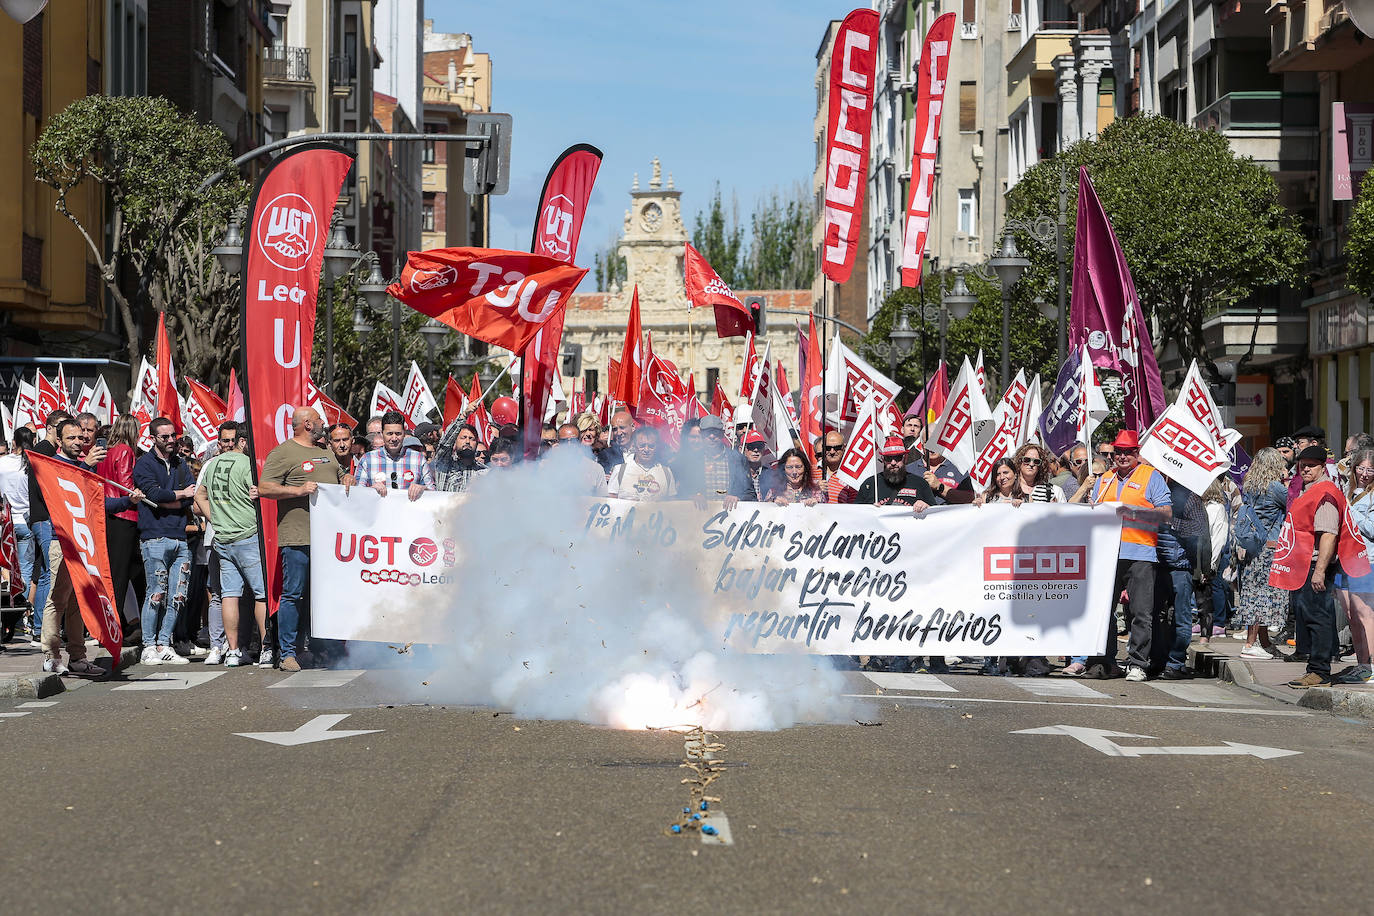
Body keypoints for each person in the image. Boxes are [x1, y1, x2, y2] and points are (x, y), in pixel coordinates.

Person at [41, 417, 143, 676]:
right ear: (59, 441)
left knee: (79, 601)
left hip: (83, 543)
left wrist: (127, 501)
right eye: (72, 438)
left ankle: (77, 657)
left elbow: (97, 503)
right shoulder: (56, 465)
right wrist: (85, 466)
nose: (79, 441)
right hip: (61, 542)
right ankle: (50, 655)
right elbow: (64, 497)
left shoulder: (85, 467)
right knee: (58, 600)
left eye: (82, 436)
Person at [258, 407, 350, 671]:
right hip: (298, 536)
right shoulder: (283, 452)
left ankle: (324, 650)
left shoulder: (325, 451)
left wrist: (348, 477)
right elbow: (265, 487)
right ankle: (287, 653)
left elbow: (340, 476)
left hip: (329, 540)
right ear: (308, 424)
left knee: (324, 595)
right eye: (320, 420)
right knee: (293, 594)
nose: (324, 424)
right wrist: (297, 490)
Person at [1269, 445, 1367, 689]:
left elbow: (1329, 535)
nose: (1305, 468)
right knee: (1311, 617)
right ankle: (1316, 667)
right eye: (1303, 464)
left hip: (1315, 566)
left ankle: (1319, 671)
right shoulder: (1311, 490)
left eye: (1311, 465)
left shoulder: (1324, 493)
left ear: (1323, 466)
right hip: (1305, 565)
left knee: (1318, 618)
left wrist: (1321, 571)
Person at [1090, 430, 1173, 681]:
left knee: (1140, 612)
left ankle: (1138, 663)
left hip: (1141, 553)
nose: (1123, 456)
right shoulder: (1104, 479)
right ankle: (1105, 661)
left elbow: (1166, 514)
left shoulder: (1151, 476)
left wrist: (1134, 513)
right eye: (1119, 452)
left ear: (1137, 454)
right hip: (1108, 555)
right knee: (1104, 612)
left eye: (1129, 452)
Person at [195, 422, 270, 669]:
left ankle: (234, 651)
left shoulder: (213, 463)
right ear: (243, 441)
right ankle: (267, 648)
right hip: (247, 534)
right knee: (261, 595)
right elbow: (262, 493)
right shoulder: (247, 464)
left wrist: (215, 518)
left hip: (223, 537)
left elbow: (199, 496)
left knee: (229, 595)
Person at [132, 416, 197, 666]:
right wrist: (177, 495)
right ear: (153, 438)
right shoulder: (144, 464)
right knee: (156, 592)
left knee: (178, 595)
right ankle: (148, 645)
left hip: (180, 537)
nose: (171, 441)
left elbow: (191, 496)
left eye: (174, 436)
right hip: (154, 537)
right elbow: (155, 495)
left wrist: (172, 498)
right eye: (165, 437)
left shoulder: (181, 464)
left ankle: (164, 643)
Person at [1234, 448, 1289, 659]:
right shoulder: (1275, 488)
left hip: (1251, 547)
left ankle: (1264, 642)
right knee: (1263, 597)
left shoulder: (1249, 487)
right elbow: (1293, 505)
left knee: (1253, 593)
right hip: (1269, 548)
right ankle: (1250, 644)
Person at [97, 414, 144, 644]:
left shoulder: (107, 450)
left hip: (108, 513)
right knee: (122, 574)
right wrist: (138, 492)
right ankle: (116, 625)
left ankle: (123, 621)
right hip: (124, 515)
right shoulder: (125, 450)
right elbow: (126, 485)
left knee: (117, 572)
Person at [1334, 447, 1374, 684]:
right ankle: (1362, 664)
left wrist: (1349, 512)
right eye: (1361, 468)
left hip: (1366, 559)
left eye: (1370, 469)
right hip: (1342, 560)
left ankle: (1372, 665)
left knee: (1365, 613)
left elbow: (1371, 528)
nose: (1365, 474)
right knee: (1351, 614)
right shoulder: (1348, 490)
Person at [676, 415, 755, 509]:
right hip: (701, 518)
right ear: (701, 434)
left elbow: (750, 493)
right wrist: (692, 496)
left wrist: (738, 497)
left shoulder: (738, 459)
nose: (712, 436)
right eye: (708, 432)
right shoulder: (691, 461)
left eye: (715, 432)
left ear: (722, 434)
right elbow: (680, 492)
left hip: (730, 518)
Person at [353, 410, 433, 500]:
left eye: (398, 434)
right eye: (389, 434)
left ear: (404, 434)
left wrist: (423, 489)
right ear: (382, 434)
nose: (394, 438)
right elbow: (357, 494)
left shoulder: (419, 459)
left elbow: (433, 492)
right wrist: (371, 490)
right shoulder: (367, 460)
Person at [857, 437, 937, 509]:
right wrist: (870, 510)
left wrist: (927, 507)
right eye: (888, 458)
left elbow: (936, 515)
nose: (893, 462)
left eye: (897, 458)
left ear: (905, 458)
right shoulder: (870, 484)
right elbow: (857, 515)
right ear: (883, 460)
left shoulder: (920, 483)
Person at [604, 426, 677, 501]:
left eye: (651, 446)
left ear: (657, 447)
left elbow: (672, 504)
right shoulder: (620, 470)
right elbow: (610, 501)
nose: (646, 449)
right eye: (642, 446)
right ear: (634, 446)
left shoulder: (666, 472)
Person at [433, 423, 487, 493]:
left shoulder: (483, 471)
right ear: (455, 442)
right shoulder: (444, 463)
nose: (467, 442)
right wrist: (463, 416)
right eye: (463, 437)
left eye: (472, 439)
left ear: (476, 444)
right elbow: (445, 444)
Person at [740, 432, 780, 501]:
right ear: (742, 449)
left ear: (764, 449)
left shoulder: (772, 474)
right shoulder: (735, 474)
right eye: (751, 446)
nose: (756, 450)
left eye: (759, 446)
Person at [819, 431, 855, 504]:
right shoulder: (810, 471)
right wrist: (814, 490)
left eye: (837, 448)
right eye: (828, 448)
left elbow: (855, 506)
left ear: (844, 448)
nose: (832, 452)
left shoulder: (851, 476)